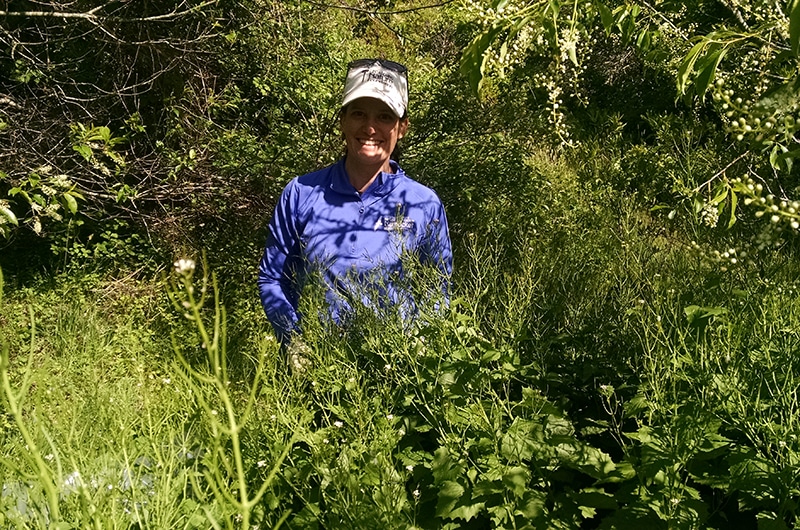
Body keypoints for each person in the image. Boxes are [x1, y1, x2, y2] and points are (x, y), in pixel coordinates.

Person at [258, 58, 452, 343]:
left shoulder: (424, 204)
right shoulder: (301, 192)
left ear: (402, 127)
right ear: (342, 121)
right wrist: (294, 340)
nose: (370, 128)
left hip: (397, 371)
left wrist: (419, 350)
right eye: (359, 114)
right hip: (316, 369)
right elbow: (272, 279)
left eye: (384, 116)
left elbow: (438, 291)